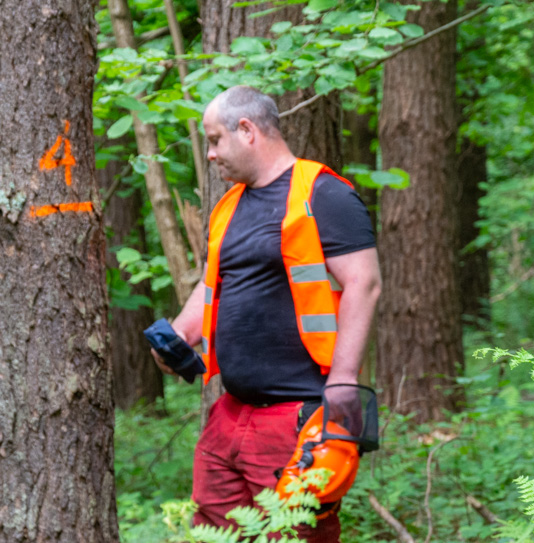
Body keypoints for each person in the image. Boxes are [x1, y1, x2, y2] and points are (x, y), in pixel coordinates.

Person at [150, 85, 381, 542]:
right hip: (229, 414)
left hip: (297, 416)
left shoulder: (321, 193)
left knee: (294, 535)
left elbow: (364, 282)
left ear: (247, 130)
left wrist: (343, 379)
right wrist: (179, 335)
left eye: (215, 140)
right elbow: (214, 283)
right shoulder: (228, 206)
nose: (211, 155)